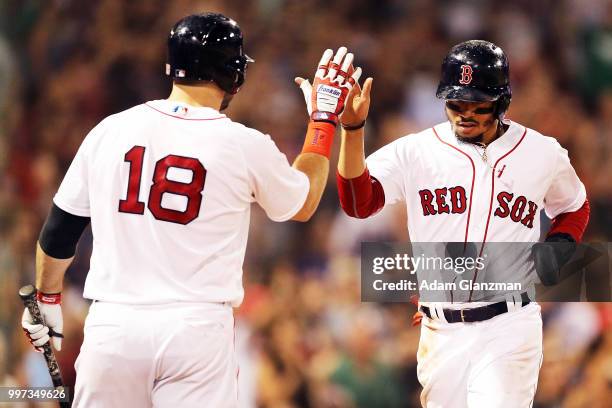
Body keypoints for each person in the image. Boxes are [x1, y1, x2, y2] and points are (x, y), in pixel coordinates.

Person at [21, 12, 361, 407]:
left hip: (114, 325)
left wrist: (46, 300)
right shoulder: (241, 143)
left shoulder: (110, 130)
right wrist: (322, 121)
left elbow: (59, 231)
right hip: (194, 329)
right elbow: (302, 203)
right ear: (232, 74)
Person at [332, 40, 590, 407]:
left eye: (478, 103)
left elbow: (574, 206)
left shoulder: (541, 152)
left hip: (509, 323)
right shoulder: (417, 150)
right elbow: (358, 203)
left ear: (502, 102)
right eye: (456, 102)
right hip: (441, 332)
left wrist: (559, 247)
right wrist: (354, 130)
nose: (465, 113)